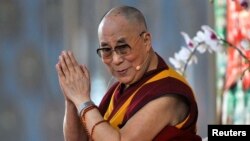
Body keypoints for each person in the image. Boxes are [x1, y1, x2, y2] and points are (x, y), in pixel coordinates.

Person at [55, 5, 202, 141]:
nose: (116, 59)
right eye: (106, 50)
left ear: (146, 41)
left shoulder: (169, 94)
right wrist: (72, 99)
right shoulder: (119, 90)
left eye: (123, 47)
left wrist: (83, 101)